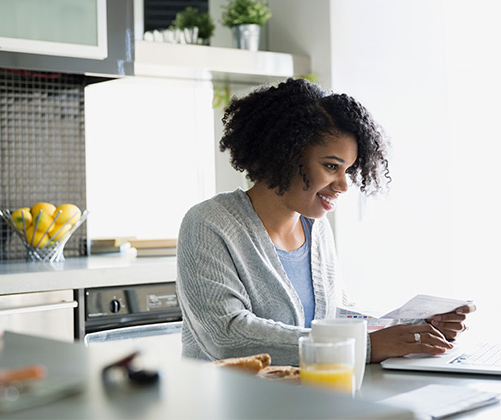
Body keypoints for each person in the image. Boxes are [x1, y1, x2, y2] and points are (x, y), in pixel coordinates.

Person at [176, 78, 475, 366]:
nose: (343, 185)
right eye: (331, 166)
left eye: (348, 170)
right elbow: (226, 336)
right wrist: (368, 346)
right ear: (285, 153)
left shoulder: (315, 229)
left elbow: (337, 318)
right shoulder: (208, 224)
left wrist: (415, 328)